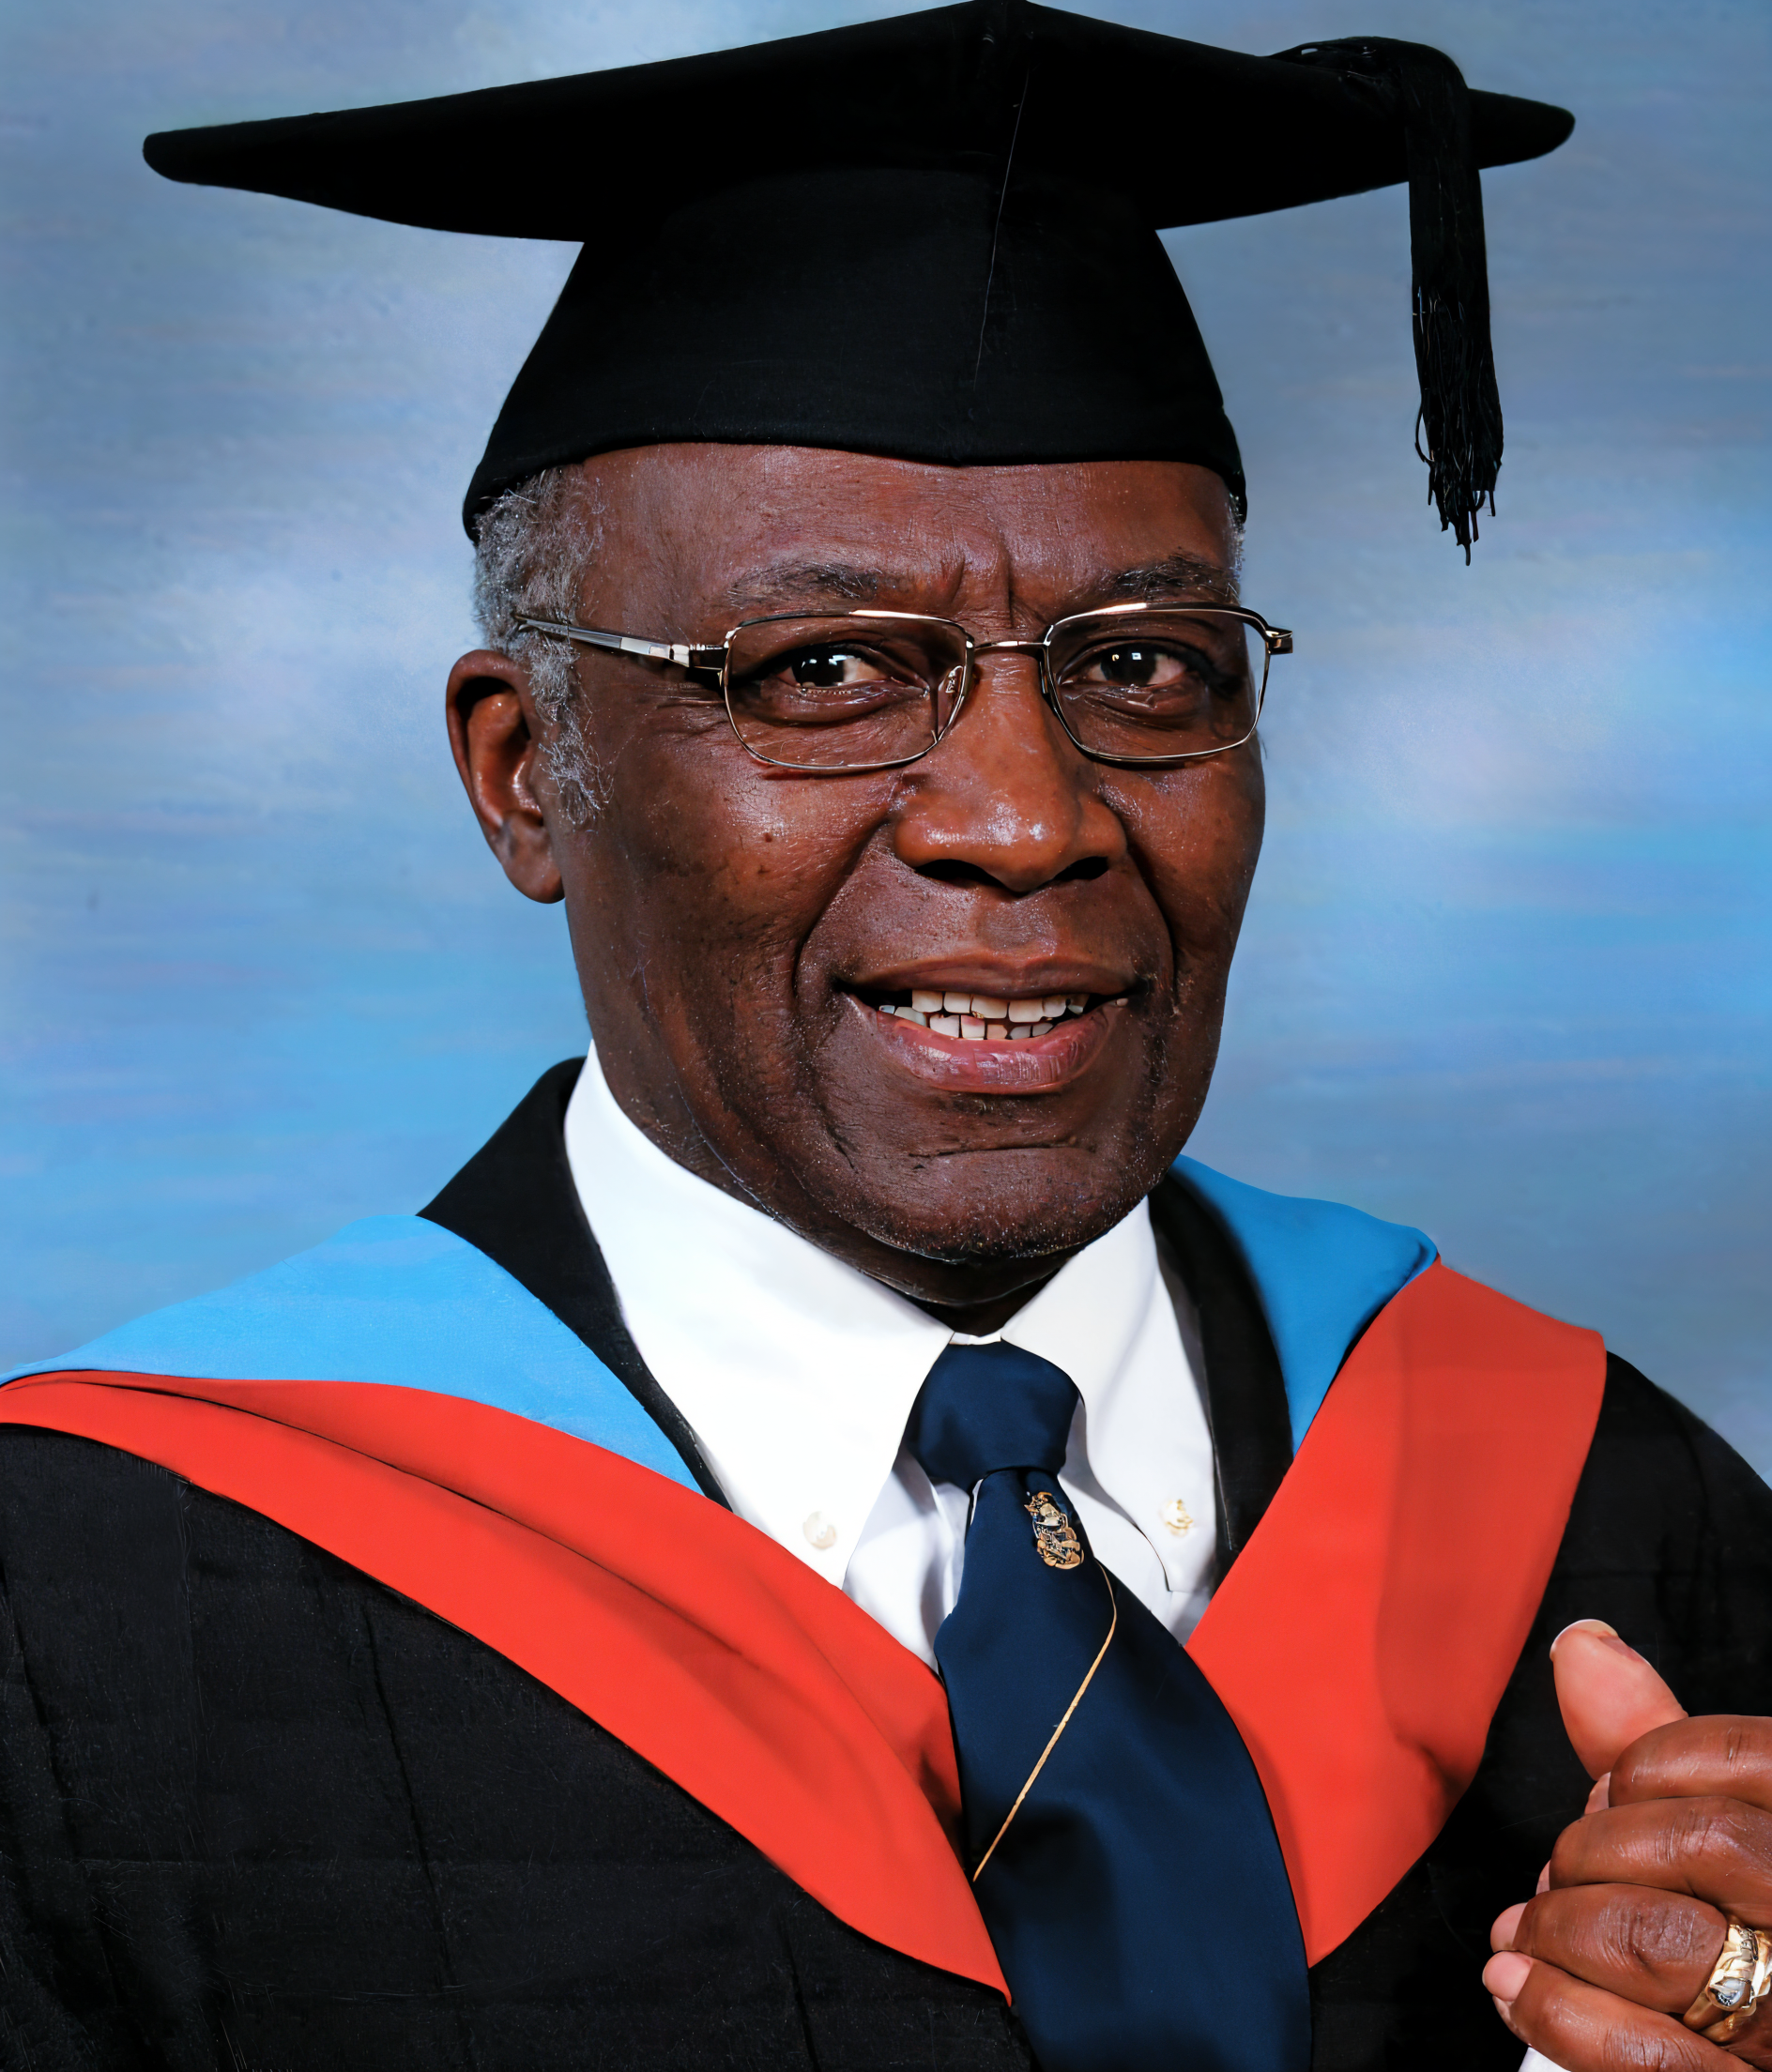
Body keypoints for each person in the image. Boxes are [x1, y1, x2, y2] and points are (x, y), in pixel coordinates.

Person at [2, 7, 1768, 2070]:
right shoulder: (96, 1607)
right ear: (525, 773)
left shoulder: (1602, 1509)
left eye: (1143, 665)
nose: (1023, 819)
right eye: (823, 671)